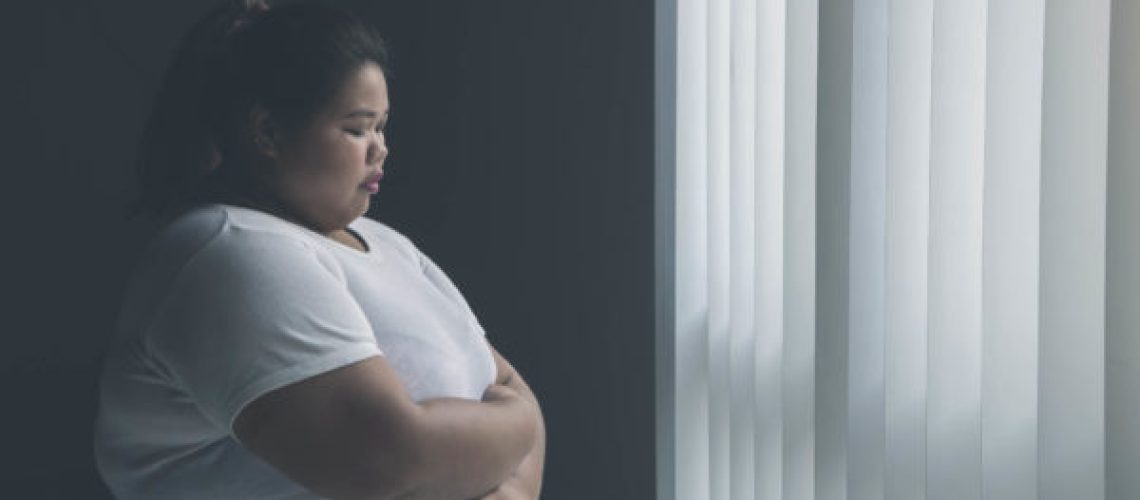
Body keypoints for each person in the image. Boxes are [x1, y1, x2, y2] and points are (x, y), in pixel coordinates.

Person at [93, 1, 545, 498]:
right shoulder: (226, 252)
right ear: (267, 132)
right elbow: (389, 461)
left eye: (381, 126)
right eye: (356, 128)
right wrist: (520, 422)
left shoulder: (389, 246)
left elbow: (502, 383)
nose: (380, 148)